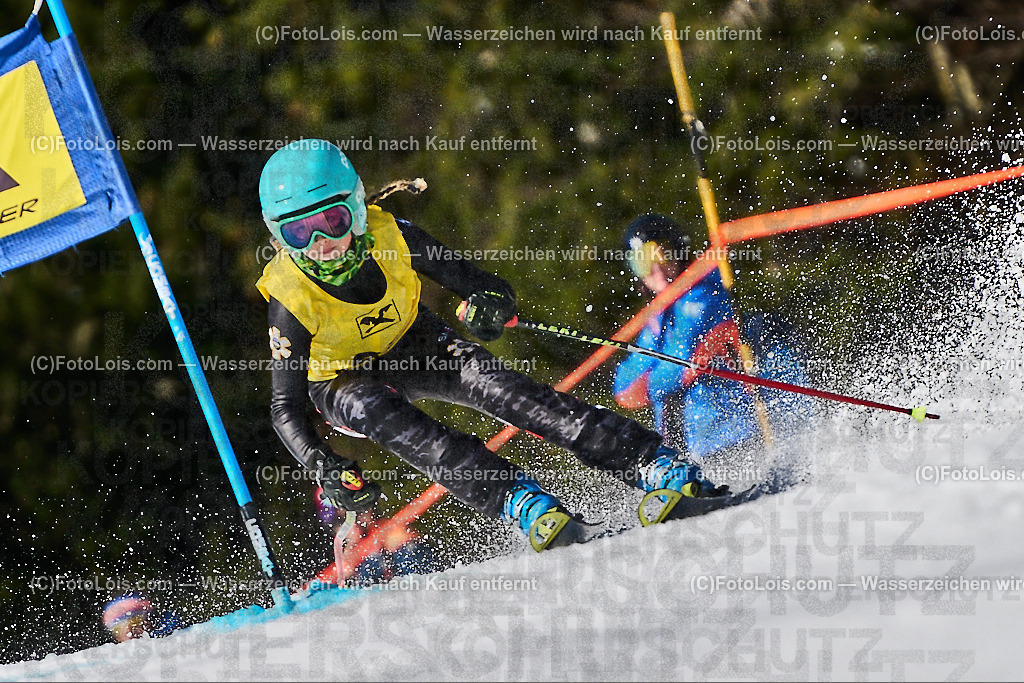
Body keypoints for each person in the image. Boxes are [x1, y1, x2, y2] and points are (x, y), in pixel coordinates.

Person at [256, 140, 727, 550]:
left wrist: (489, 306)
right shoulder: (291, 298)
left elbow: (487, 286)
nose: (321, 244)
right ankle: (517, 501)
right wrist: (324, 466)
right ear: (279, 236)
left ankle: (652, 463)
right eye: (299, 232)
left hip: (412, 342)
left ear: (357, 210)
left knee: (506, 391)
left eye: (333, 222)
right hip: (342, 380)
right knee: (389, 418)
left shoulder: (395, 237)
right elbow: (285, 407)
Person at [614, 214, 812, 460]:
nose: (656, 268)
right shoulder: (657, 322)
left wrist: (656, 380)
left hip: (739, 436)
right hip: (698, 449)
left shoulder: (703, 296)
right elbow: (624, 389)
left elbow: (681, 359)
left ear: (679, 251)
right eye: (641, 262)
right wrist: (663, 379)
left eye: (662, 253)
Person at [102, 593, 180, 643]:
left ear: (148, 619)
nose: (128, 631)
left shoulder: (170, 634)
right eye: (118, 629)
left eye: (135, 622)